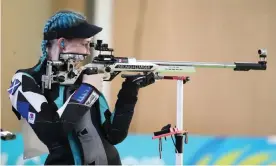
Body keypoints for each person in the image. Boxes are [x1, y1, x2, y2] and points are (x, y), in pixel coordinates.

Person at [7, 10, 155, 165]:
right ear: (62, 43)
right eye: (84, 44)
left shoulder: (81, 78)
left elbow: (114, 135)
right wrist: (87, 90)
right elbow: (51, 133)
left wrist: (129, 91)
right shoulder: (25, 81)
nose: (87, 51)